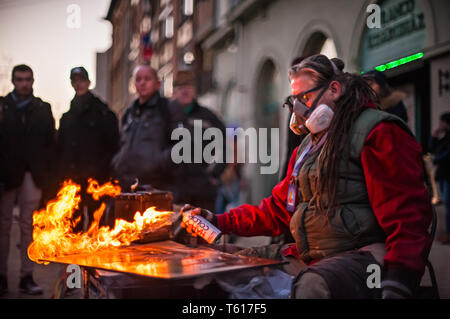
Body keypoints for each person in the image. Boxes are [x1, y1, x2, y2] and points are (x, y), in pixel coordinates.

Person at [182, 54, 432, 299]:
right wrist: (217, 220)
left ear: (334, 89)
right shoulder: (306, 148)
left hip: (366, 256)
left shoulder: (378, 131)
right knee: (222, 264)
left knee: (312, 286)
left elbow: (407, 215)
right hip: (313, 255)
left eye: (307, 97)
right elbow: (277, 211)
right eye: (295, 100)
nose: (299, 109)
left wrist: (401, 278)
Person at [0, 64, 56, 295]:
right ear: (13, 81)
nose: (24, 83)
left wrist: (48, 177)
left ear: (33, 81)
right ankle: (2, 277)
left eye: (28, 79)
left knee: (28, 226)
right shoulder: (3, 106)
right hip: (5, 175)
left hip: (33, 176)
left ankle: (26, 276)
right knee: (2, 227)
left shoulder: (42, 108)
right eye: (20, 79)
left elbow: (51, 144)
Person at [57, 66, 119, 231]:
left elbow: (114, 146)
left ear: (88, 82)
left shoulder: (103, 113)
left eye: (81, 80)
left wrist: (102, 170)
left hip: (96, 181)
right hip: (73, 181)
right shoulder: (67, 118)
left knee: (95, 226)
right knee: (73, 226)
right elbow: (61, 149)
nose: (78, 84)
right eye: (75, 80)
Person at [112, 65, 176, 192]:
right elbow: (121, 144)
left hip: (156, 186)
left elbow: (181, 146)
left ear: (157, 84)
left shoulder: (168, 108)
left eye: (147, 79)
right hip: (128, 185)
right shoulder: (129, 113)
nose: (142, 83)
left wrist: (159, 163)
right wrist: (117, 163)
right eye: (138, 79)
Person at [169, 70, 227, 211]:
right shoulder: (166, 117)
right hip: (173, 191)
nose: (184, 91)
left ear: (195, 90)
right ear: (174, 91)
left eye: (188, 87)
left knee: (205, 230)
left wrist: (212, 175)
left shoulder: (209, 117)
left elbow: (223, 148)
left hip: (203, 191)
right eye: (180, 87)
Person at [429, 112, 450, 244]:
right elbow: (432, 149)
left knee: (448, 204)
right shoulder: (445, 137)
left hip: (448, 175)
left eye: (441, 121)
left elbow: (446, 155)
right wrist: (434, 136)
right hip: (444, 175)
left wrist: (436, 159)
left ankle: (448, 234)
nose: (439, 124)